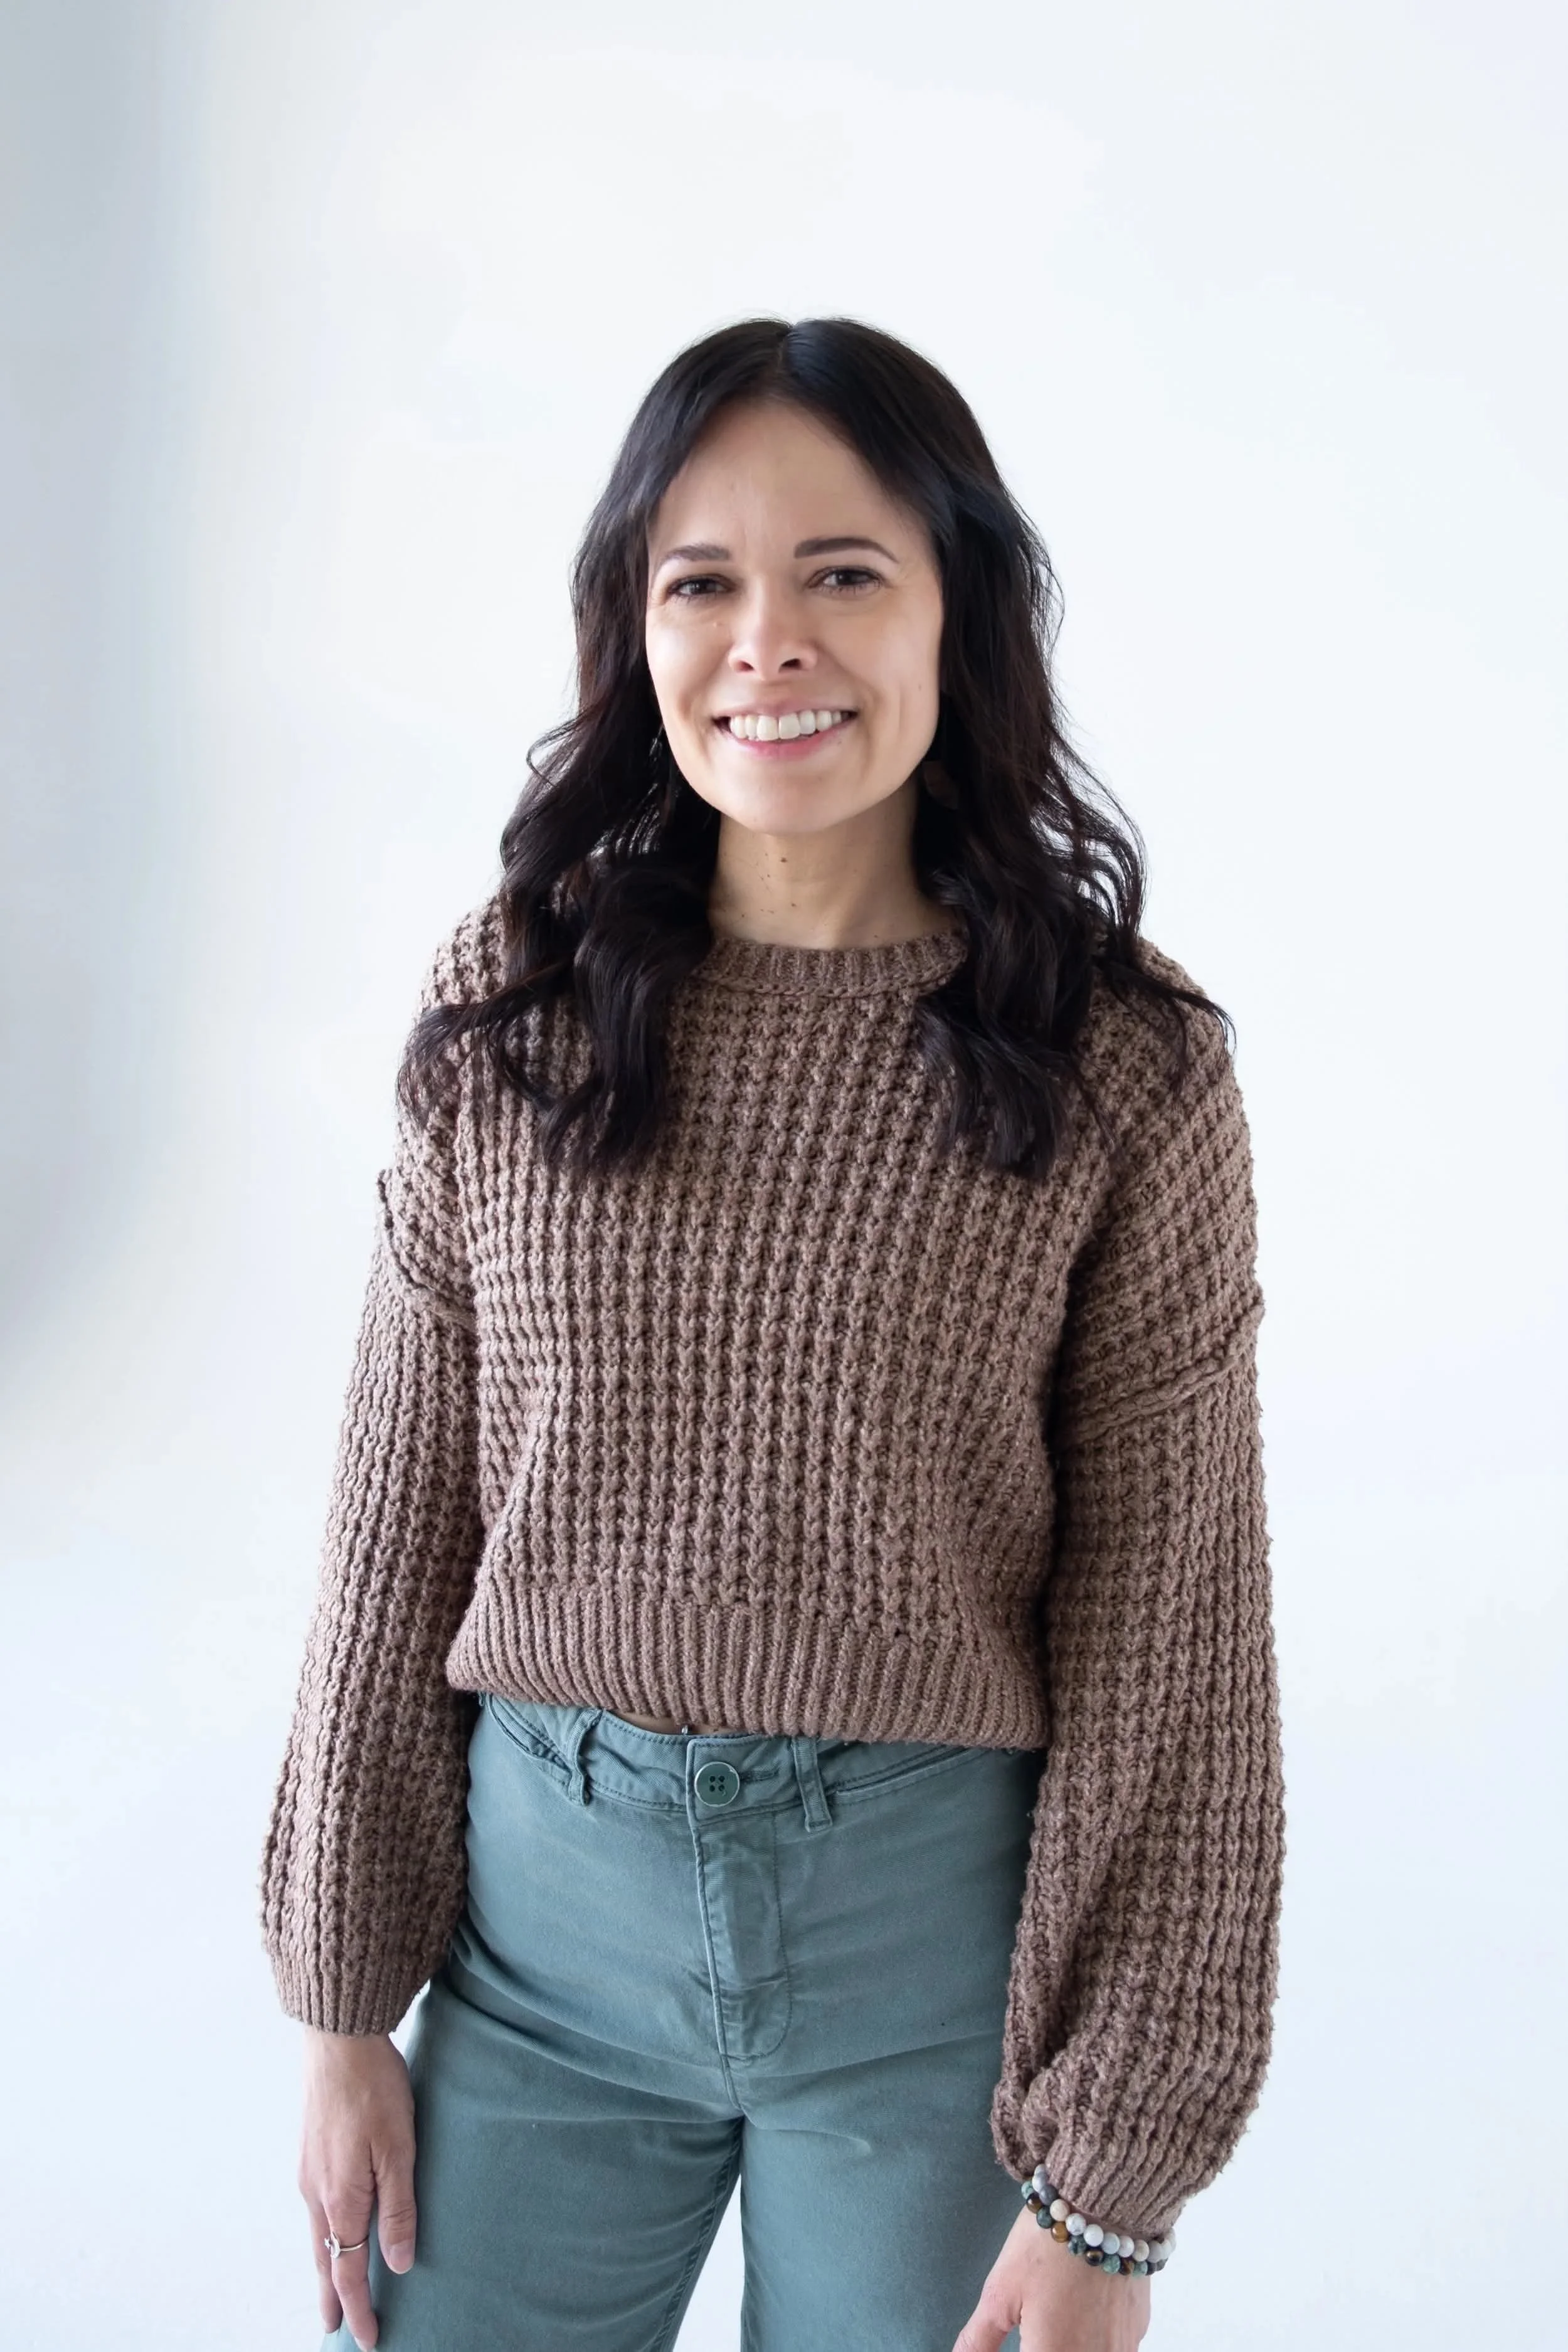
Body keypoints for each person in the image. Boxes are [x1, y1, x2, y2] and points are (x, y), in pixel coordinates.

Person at [261, 315, 1284, 2352]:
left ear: (955, 610)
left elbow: (1173, 1627)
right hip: (533, 1965)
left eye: (840, 574)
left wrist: (1115, 2194)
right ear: (632, 626)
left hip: (933, 1989)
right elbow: (398, 1522)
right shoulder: (515, 1007)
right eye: (700, 581)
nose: (765, 643)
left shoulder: (1123, 1066)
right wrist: (339, 2003)